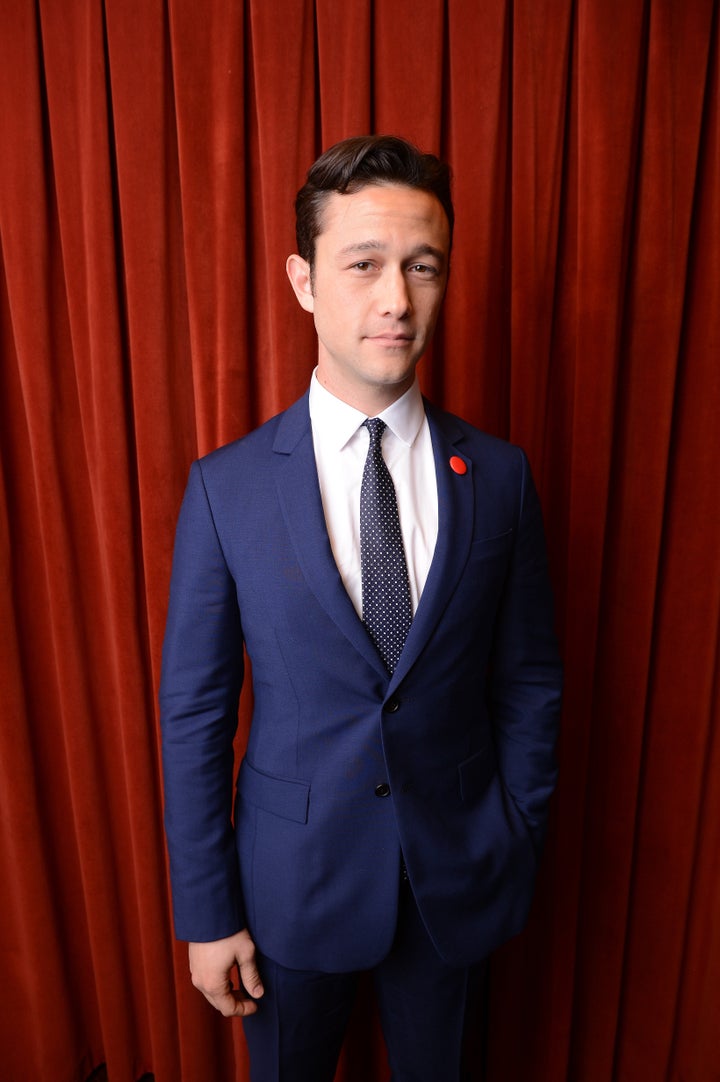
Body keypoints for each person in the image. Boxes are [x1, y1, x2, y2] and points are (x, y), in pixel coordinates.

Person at [159, 134, 562, 1082]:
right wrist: (207, 911)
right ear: (303, 281)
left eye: (424, 267)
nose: (397, 299)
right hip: (288, 892)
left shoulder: (500, 478)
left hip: (456, 882)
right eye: (365, 265)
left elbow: (531, 678)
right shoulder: (228, 489)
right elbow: (195, 714)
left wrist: (516, 829)